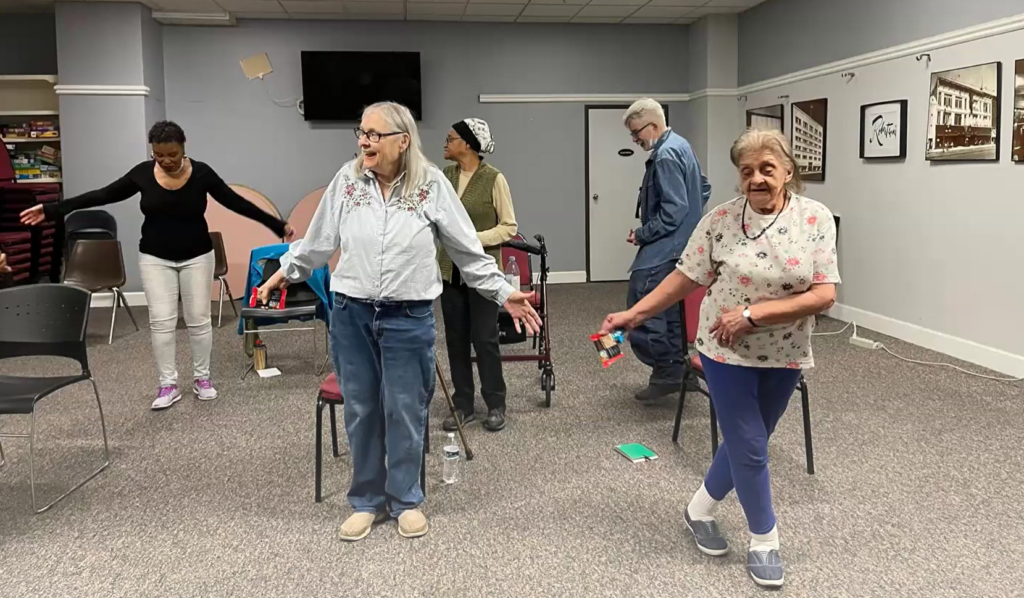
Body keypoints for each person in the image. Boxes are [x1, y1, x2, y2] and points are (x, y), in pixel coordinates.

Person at [257, 102, 540, 542]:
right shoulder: (347, 181)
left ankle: (406, 497)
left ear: (402, 141)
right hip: (352, 313)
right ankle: (367, 500)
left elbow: (467, 251)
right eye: (362, 132)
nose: (364, 141)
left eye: (374, 134)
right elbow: (317, 243)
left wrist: (505, 292)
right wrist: (283, 272)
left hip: (408, 316)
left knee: (405, 408)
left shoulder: (431, 186)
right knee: (362, 408)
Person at [600, 128, 840, 588]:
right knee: (751, 446)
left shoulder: (816, 218)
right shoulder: (721, 220)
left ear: (788, 171)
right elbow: (685, 277)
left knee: (746, 442)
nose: (756, 179)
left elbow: (824, 294)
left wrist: (754, 314)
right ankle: (765, 540)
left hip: (785, 351)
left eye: (767, 169)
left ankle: (698, 510)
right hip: (723, 349)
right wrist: (635, 312)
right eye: (747, 171)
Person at [20, 120, 294, 410]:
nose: (165, 161)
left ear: (183, 147)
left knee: (198, 319)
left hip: (198, 256)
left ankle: (202, 379)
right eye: (159, 155)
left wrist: (276, 224)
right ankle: (168, 384)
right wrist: (52, 209)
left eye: (172, 154)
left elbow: (236, 202)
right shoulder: (142, 174)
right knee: (161, 322)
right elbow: (102, 194)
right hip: (154, 258)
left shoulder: (201, 173)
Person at [622, 98, 712, 402]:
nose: (635, 140)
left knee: (645, 303)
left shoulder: (665, 156)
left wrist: (642, 233)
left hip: (666, 246)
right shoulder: (681, 146)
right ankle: (673, 369)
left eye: (636, 133)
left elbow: (674, 210)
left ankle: (665, 372)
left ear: (653, 125)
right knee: (670, 308)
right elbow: (703, 189)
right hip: (681, 245)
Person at [438, 118, 518, 433]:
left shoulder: (494, 179)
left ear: (468, 143)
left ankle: (496, 404)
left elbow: (509, 227)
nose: (445, 143)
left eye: (451, 138)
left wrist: (472, 240)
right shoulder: (443, 177)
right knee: (455, 340)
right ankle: (463, 404)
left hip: (483, 274)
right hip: (448, 273)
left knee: (484, 340)